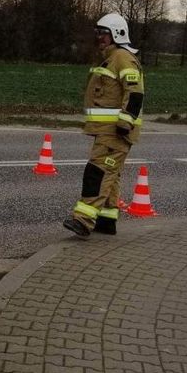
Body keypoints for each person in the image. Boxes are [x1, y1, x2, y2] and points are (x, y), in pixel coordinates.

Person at [63, 13, 145, 238]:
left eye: (103, 33)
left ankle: (83, 220)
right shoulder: (111, 57)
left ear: (117, 34)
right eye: (97, 33)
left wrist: (125, 122)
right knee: (111, 173)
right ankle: (107, 220)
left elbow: (135, 92)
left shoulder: (122, 58)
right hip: (107, 131)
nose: (99, 37)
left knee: (97, 172)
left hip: (116, 132)